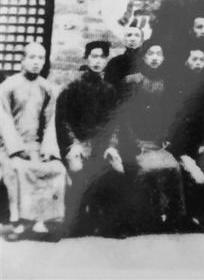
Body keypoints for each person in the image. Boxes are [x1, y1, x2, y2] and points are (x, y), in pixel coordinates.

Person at [56, 41, 126, 237]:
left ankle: (107, 222)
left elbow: (114, 122)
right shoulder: (72, 88)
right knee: (77, 169)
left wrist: (112, 146)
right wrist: (74, 144)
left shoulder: (109, 90)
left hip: (100, 144)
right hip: (77, 144)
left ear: (106, 60)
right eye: (93, 56)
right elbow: (63, 122)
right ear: (86, 58)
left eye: (102, 57)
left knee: (117, 168)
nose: (97, 61)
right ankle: (76, 221)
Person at [0, 42, 67, 241]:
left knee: (56, 169)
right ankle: (20, 222)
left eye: (40, 58)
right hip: (9, 146)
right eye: (32, 57)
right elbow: (4, 120)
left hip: (36, 145)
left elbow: (50, 122)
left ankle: (42, 221)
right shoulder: (7, 86)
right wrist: (17, 149)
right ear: (22, 60)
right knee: (18, 168)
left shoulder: (47, 88)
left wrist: (48, 150)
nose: (36, 62)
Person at [118, 39, 186, 233]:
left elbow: (168, 115)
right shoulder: (132, 81)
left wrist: (166, 138)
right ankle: (145, 218)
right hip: (135, 142)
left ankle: (174, 218)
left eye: (159, 54)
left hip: (156, 143)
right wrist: (134, 142)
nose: (155, 58)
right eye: (151, 54)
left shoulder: (165, 83)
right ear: (144, 57)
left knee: (172, 167)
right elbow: (123, 115)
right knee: (146, 169)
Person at [166, 47, 204, 229]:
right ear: (186, 61)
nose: (198, 63)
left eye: (201, 60)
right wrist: (182, 151)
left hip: (200, 144)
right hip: (179, 146)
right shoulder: (177, 84)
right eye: (194, 59)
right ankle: (187, 216)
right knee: (195, 175)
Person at [105, 26, 144, 95]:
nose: (132, 39)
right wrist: (126, 79)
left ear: (141, 41)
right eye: (129, 35)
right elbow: (107, 89)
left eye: (137, 35)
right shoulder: (114, 62)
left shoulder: (148, 61)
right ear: (124, 41)